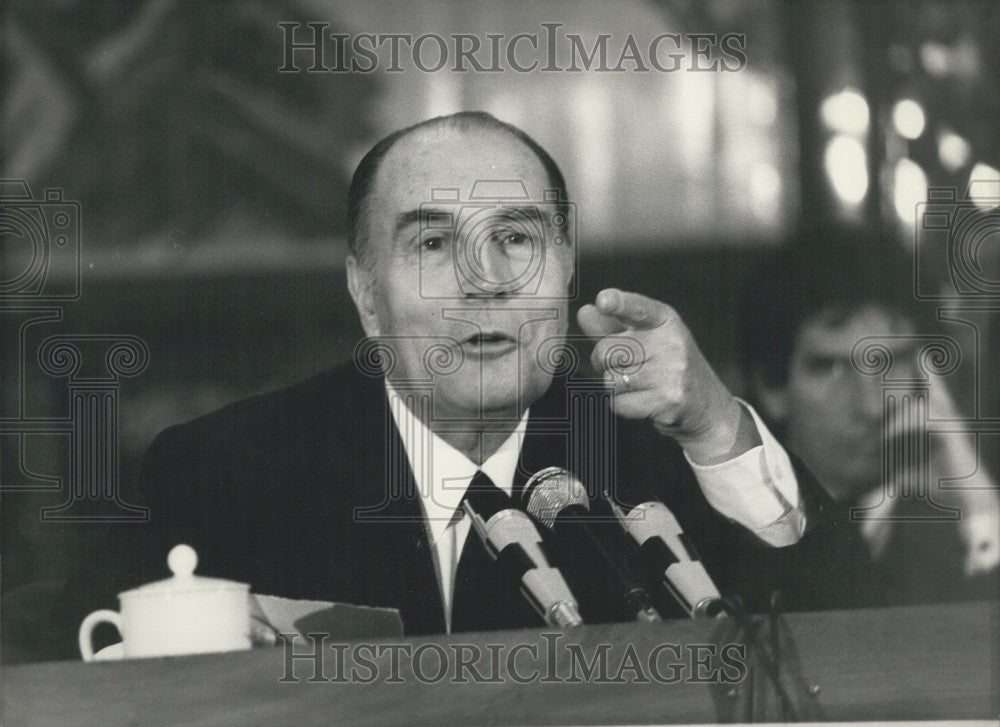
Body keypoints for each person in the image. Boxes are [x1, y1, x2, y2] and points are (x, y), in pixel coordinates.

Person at [54, 113, 877, 658]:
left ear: (566, 267)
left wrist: (715, 426)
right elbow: (67, 669)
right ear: (366, 294)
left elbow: (862, 640)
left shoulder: (657, 457)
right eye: (433, 245)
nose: (483, 281)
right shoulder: (223, 473)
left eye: (516, 238)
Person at [740, 231, 1000, 605]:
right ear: (772, 388)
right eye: (831, 367)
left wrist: (977, 507)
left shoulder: (964, 527)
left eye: (893, 361)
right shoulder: (727, 543)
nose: (872, 406)